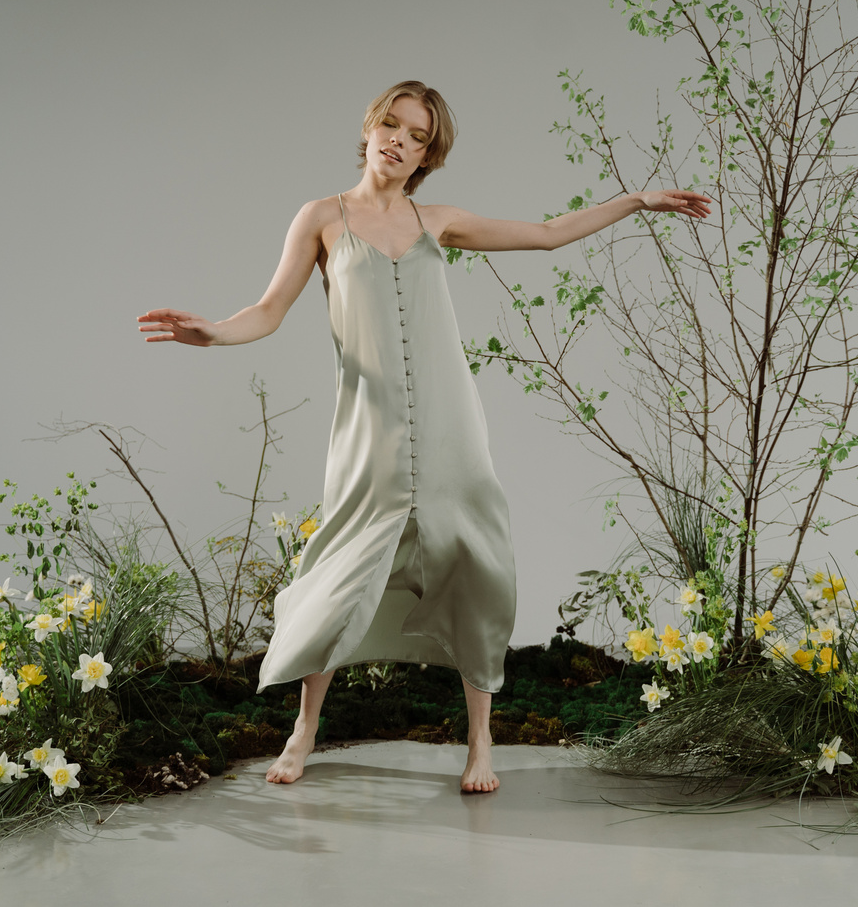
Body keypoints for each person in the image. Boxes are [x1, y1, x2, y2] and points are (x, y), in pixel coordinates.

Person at [137, 80, 711, 794]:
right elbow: (268, 309)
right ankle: (304, 729)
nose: (399, 141)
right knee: (341, 569)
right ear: (370, 127)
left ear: (427, 157)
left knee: (472, 564)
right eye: (392, 125)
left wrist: (637, 201)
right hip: (370, 430)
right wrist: (214, 333)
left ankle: (481, 742)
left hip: (450, 427)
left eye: (417, 137)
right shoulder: (321, 218)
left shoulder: (439, 221)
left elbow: (547, 233)